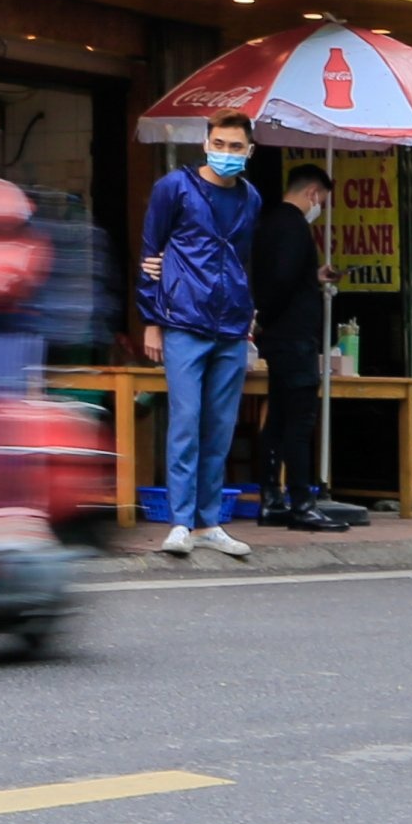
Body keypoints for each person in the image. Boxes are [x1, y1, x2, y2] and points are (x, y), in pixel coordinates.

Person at [138, 112, 262, 561]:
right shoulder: (174, 187)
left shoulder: (251, 197)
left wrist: (249, 315)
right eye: (219, 144)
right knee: (186, 422)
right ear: (206, 143)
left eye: (235, 147)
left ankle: (209, 523)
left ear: (249, 151)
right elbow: (150, 252)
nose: (226, 153)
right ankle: (180, 522)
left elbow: (243, 260)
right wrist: (151, 319)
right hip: (184, 319)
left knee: (220, 427)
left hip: (231, 324)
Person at [252, 163, 354, 531]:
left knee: (278, 419)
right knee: (299, 420)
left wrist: (313, 277)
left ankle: (271, 499)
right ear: (312, 193)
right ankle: (302, 503)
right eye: (321, 201)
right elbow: (280, 282)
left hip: (279, 339)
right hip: (294, 338)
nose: (319, 208)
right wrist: (266, 316)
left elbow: (282, 276)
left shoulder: (269, 222)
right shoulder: (294, 226)